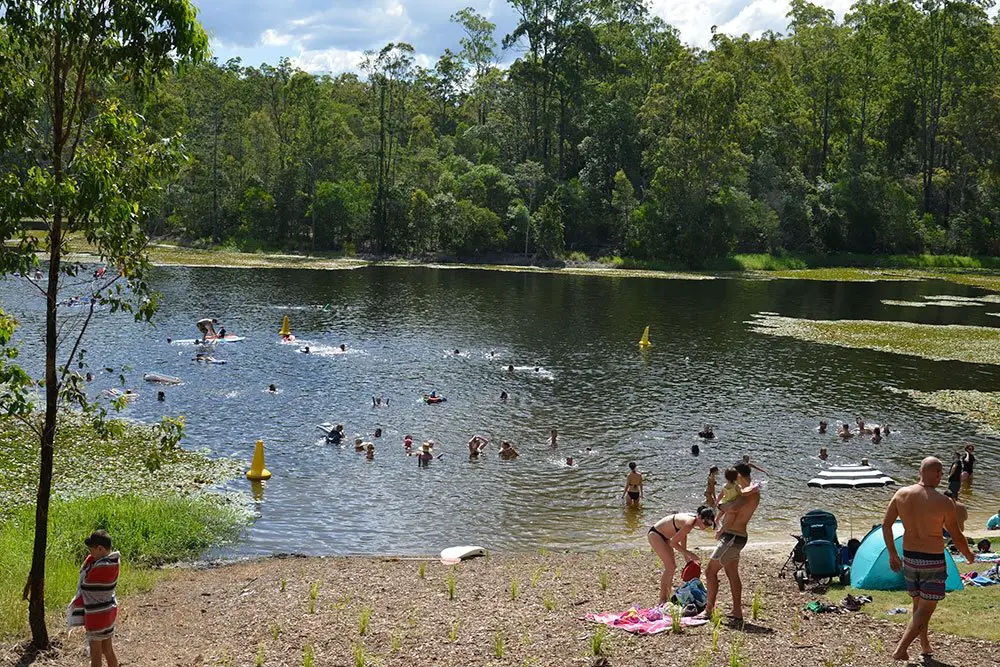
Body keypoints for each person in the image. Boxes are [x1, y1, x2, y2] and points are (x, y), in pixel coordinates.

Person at [881, 457, 975, 661]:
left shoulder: (901, 494)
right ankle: (901, 649)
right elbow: (956, 535)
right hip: (932, 559)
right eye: (940, 472)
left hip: (910, 557)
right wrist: (968, 554)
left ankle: (924, 645)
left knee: (918, 605)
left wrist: (892, 553)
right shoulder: (944, 502)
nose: (942, 476)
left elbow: (886, 525)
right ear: (935, 473)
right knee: (926, 608)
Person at [700, 462, 761, 621]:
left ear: (739, 475)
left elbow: (732, 508)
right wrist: (723, 505)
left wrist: (720, 505)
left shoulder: (747, 493)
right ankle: (737, 611)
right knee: (731, 572)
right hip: (736, 536)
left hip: (733, 537)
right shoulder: (747, 492)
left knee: (709, 572)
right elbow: (729, 505)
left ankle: (708, 611)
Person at [68, 530, 120, 667]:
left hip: (96, 617)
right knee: (108, 649)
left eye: (91, 550)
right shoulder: (114, 563)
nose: (90, 553)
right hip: (109, 613)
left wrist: (88, 562)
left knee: (95, 654)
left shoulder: (101, 567)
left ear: (100, 549)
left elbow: (85, 586)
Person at [647, 507, 717, 604]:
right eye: (705, 523)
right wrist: (691, 554)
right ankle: (662, 600)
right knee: (670, 567)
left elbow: (683, 537)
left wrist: (687, 559)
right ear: (699, 517)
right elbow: (673, 543)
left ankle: (666, 597)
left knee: (672, 567)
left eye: (709, 524)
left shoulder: (693, 522)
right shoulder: (689, 523)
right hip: (655, 534)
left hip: (665, 537)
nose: (706, 526)